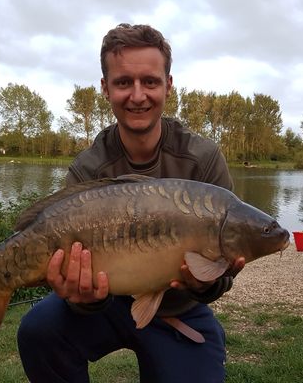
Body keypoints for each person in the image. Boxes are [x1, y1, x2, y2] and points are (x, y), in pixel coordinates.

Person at [17, 23, 245, 383]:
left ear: (169, 85)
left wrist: (205, 283)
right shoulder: (89, 168)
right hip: (105, 307)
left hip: (179, 311)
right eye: (123, 82)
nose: (137, 95)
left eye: (150, 82)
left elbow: (219, 280)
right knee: (39, 331)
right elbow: (78, 293)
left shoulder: (202, 159)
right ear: (105, 88)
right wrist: (84, 296)